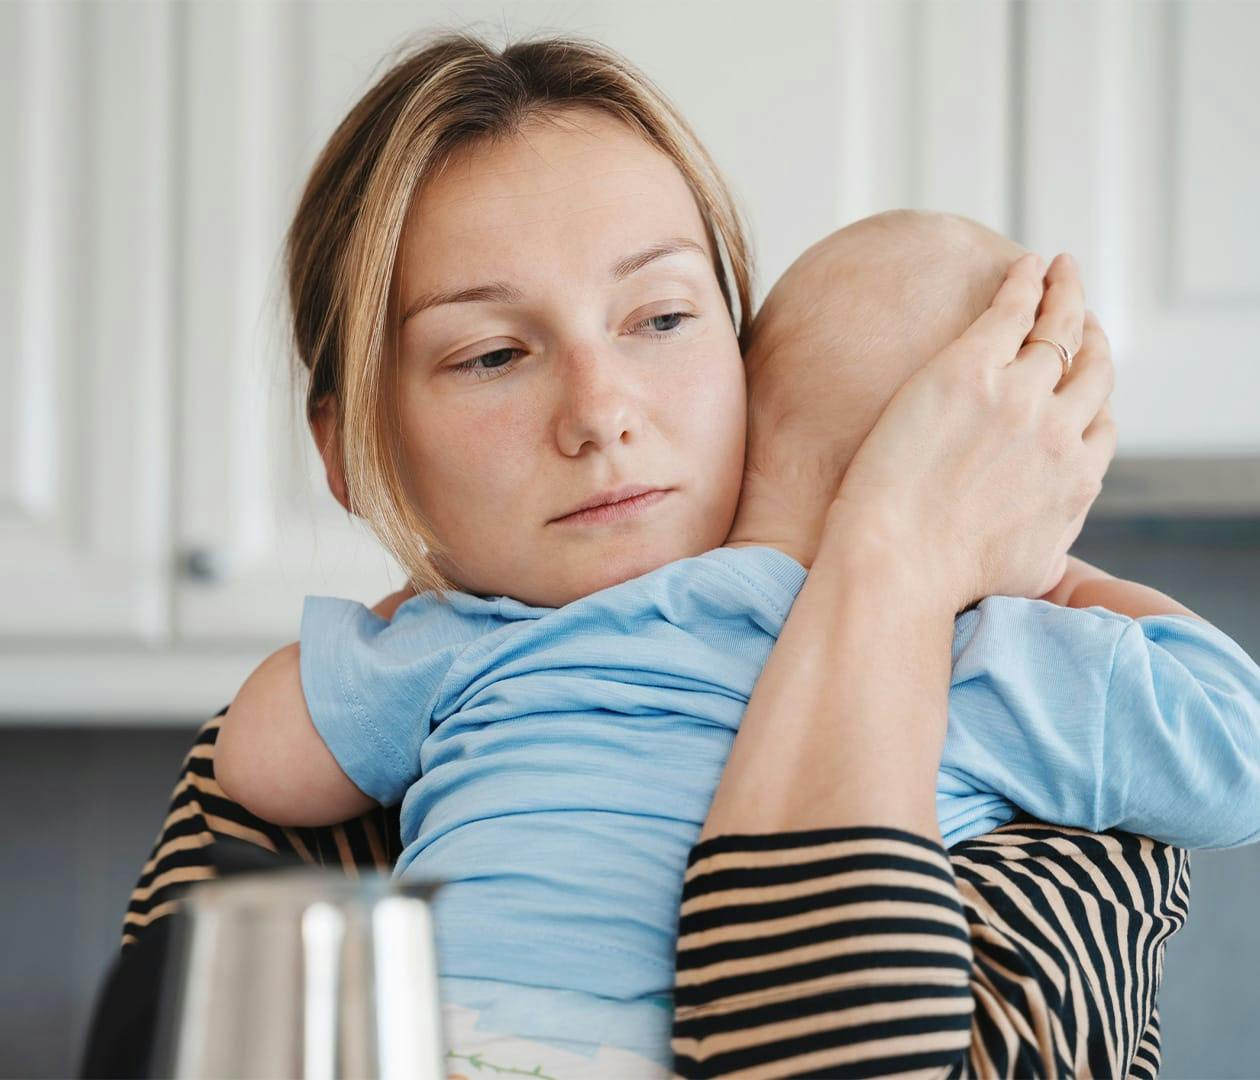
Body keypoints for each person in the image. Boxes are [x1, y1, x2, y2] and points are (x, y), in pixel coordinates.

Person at [85, 31, 1190, 1080]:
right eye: (493, 354)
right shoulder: (324, 762)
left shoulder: (1038, 743)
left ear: (752, 358)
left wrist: (890, 559)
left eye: (660, 318)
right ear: (351, 451)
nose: (601, 411)